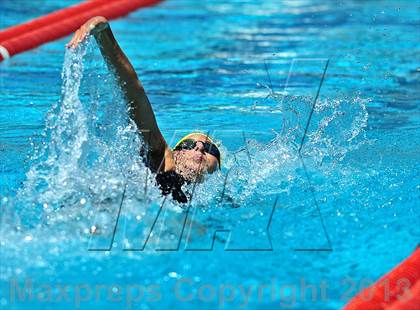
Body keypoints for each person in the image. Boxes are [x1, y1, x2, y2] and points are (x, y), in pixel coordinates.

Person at [67, 16, 221, 203]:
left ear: (217, 169)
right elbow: (136, 94)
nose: (199, 147)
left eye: (211, 149)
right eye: (188, 145)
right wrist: (104, 34)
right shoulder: (162, 161)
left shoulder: (217, 200)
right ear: (176, 153)